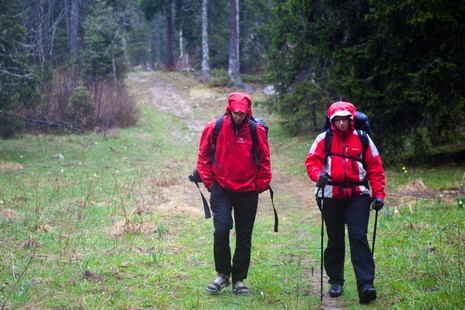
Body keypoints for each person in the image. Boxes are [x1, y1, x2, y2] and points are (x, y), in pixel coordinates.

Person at [304, 101, 385, 304]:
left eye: (345, 119)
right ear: (332, 120)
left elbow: (375, 167)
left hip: (358, 194)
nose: (341, 122)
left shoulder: (363, 139)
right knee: (335, 238)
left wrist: (379, 194)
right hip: (330, 194)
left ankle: (366, 285)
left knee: (358, 237)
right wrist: (318, 176)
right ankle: (335, 280)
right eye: (337, 119)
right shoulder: (323, 139)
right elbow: (312, 162)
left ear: (351, 119)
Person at [195, 92, 272, 295]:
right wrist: (210, 184)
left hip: (248, 191)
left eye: (242, 113)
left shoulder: (256, 130)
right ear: (230, 110)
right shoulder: (215, 127)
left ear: (248, 112)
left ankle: (238, 280)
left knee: (244, 236)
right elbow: (203, 157)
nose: (239, 116)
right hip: (221, 188)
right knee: (222, 229)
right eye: (236, 113)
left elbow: (265, 160)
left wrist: (260, 185)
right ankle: (222, 275)